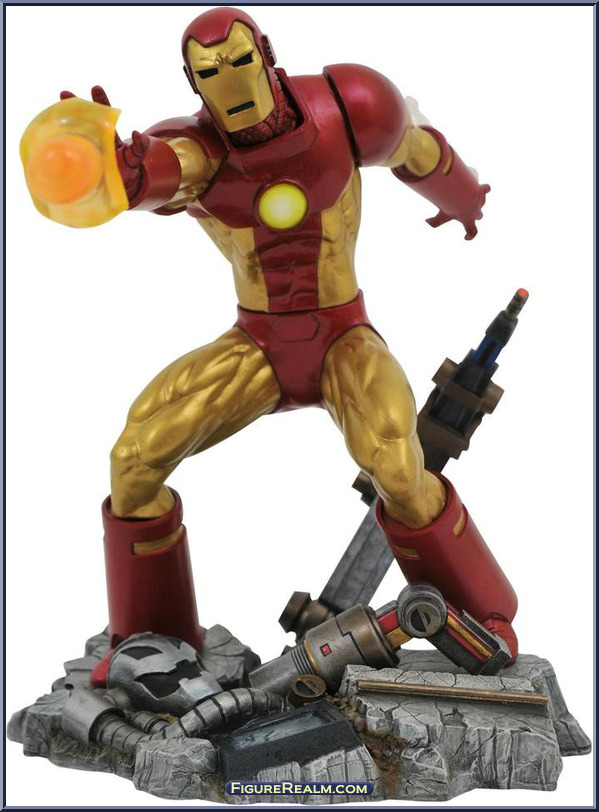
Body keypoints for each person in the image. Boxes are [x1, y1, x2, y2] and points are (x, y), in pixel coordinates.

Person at [21, 7, 517, 686]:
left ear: (266, 54)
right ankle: (151, 643)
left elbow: (416, 147)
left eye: (237, 61)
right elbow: (160, 173)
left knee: (399, 469)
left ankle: (483, 615)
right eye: (208, 73)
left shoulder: (348, 107)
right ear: (194, 85)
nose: (228, 82)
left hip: (342, 337)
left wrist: (461, 198)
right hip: (256, 348)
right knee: (133, 462)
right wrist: (112, 170)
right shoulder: (194, 150)